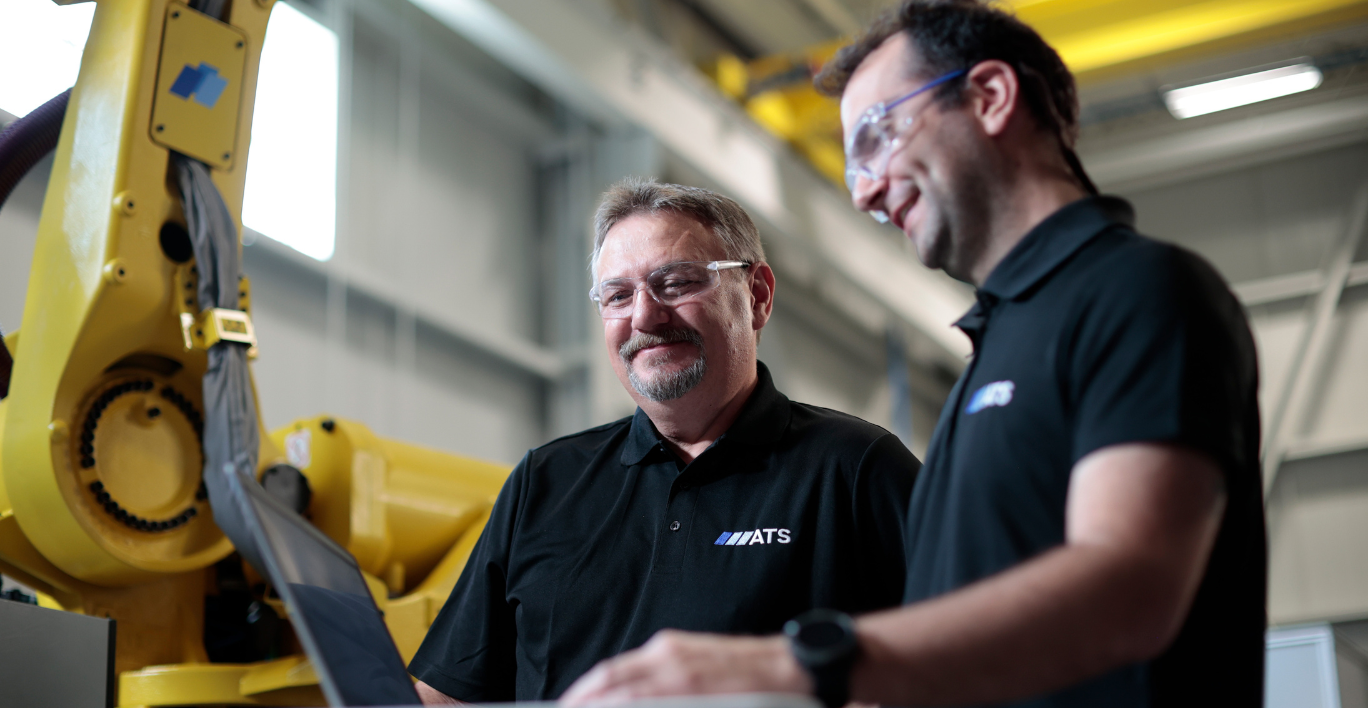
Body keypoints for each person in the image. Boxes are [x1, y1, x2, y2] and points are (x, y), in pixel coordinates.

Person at [560, 2, 1266, 707]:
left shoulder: (1138, 290)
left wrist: (797, 666)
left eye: (876, 136)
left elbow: (1130, 587)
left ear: (990, 97)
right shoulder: (1001, 344)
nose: (865, 188)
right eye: (852, 165)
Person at [408, 178, 920, 704]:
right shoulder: (545, 481)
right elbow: (448, 694)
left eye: (675, 283)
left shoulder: (857, 471)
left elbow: (973, 666)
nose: (644, 316)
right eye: (618, 295)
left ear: (757, 296)